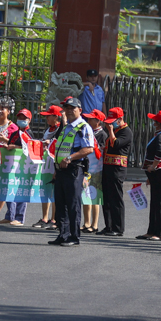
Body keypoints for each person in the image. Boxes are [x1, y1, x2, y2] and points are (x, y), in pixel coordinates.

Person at [48, 97, 94, 247]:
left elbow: (88, 149)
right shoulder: (66, 127)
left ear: (79, 110)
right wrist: (56, 169)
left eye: (72, 108)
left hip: (74, 169)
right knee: (61, 204)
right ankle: (63, 234)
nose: (68, 110)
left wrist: (69, 158)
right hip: (61, 171)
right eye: (66, 108)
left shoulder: (83, 127)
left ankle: (74, 236)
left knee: (73, 204)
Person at [137, 111, 161, 241]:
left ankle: (159, 232)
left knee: (159, 202)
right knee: (154, 202)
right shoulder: (160, 134)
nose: (153, 123)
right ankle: (152, 230)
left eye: (155, 121)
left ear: (159, 124)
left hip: (159, 172)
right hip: (154, 174)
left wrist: (154, 165)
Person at [98, 107, 131, 237]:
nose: (110, 124)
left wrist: (111, 131)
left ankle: (118, 228)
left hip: (117, 169)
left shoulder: (126, 131)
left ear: (120, 119)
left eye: (113, 122)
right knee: (106, 198)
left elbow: (116, 144)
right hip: (107, 167)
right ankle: (109, 226)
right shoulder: (116, 130)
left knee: (116, 198)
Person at [1, 108, 34, 226]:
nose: (21, 120)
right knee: (9, 189)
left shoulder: (29, 133)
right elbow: (10, 144)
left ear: (29, 120)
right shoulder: (15, 133)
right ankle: (10, 215)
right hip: (11, 166)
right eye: (19, 117)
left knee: (21, 191)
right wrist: (7, 146)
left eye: (24, 118)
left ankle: (19, 218)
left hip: (23, 166)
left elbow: (30, 149)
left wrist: (14, 147)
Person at [33, 105, 64, 229]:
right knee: (45, 190)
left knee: (54, 191)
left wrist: (50, 143)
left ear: (56, 117)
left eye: (48, 116)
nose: (46, 118)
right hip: (45, 163)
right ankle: (44, 218)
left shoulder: (60, 129)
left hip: (54, 163)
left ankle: (54, 218)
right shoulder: (48, 129)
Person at [80, 109, 106, 233]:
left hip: (97, 169)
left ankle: (94, 224)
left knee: (95, 196)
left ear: (98, 121)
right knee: (85, 195)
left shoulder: (102, 134)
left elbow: (101, 152)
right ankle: (86, 222)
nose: (88, 120)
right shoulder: (86, 131)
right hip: (86, 168)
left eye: (91, 119)